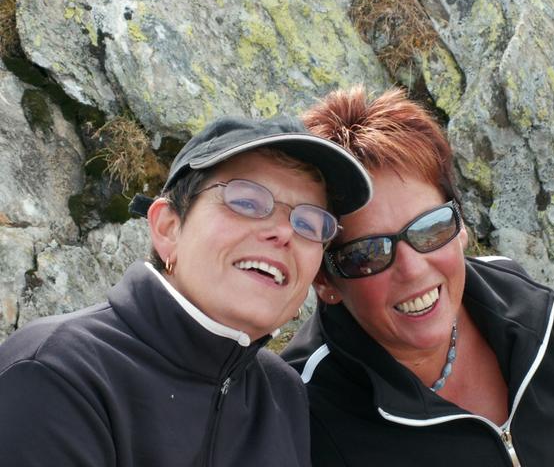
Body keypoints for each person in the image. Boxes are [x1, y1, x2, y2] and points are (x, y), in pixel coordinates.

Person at [0, 115, 372, 466]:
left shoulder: (281, 393)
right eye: (247, 202)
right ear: (168, 228)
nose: (285, 232)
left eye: (310, 224)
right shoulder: (57, 373)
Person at [282, 87, 554, 466]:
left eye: (431, 227)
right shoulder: (305, 413)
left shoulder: (522, 307)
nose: (413, 268)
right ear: (325, 281)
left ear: (460, 224)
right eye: (368, 253)